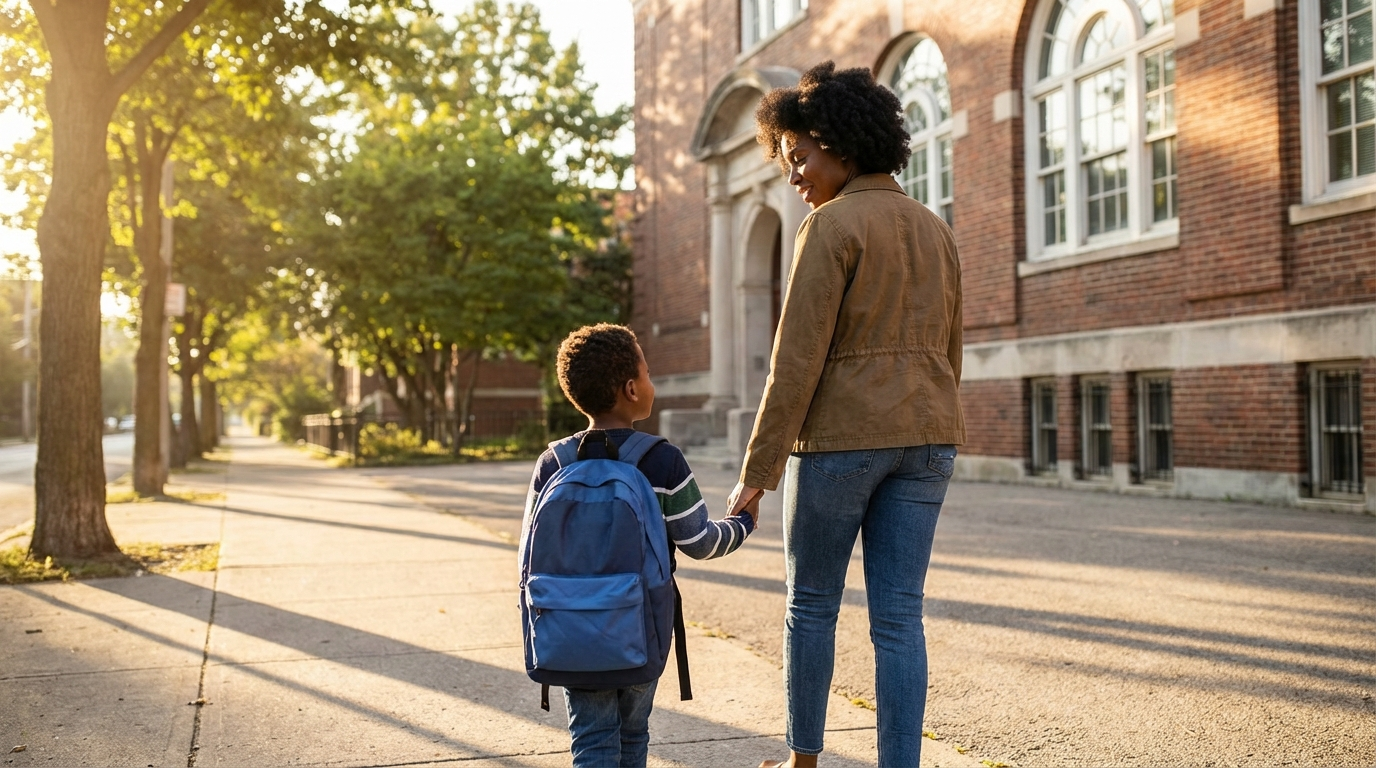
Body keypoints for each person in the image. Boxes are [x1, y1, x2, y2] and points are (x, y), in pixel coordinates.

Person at [726, 61, 966, 768]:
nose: (793, 175)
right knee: (899, 619)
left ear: (841, 142)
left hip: (840, 444)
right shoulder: (935, 228)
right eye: (785, 161)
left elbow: (795, 362)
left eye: (800, 157)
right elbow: (952, 350)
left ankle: (804, 762)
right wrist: (938, 424)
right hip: (929, 441)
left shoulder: (829, 228)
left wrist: (756, 474)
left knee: (812, 606)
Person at [527, 322, 759, 768]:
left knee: (592, 740)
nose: (652, 382)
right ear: (632, 389)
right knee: (633, 735)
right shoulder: (661, 460)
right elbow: (699, 541)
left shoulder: (551, 462)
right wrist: (742, 522)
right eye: (649, 373)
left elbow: (531, 554)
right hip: (640, 626)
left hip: (570, 626)